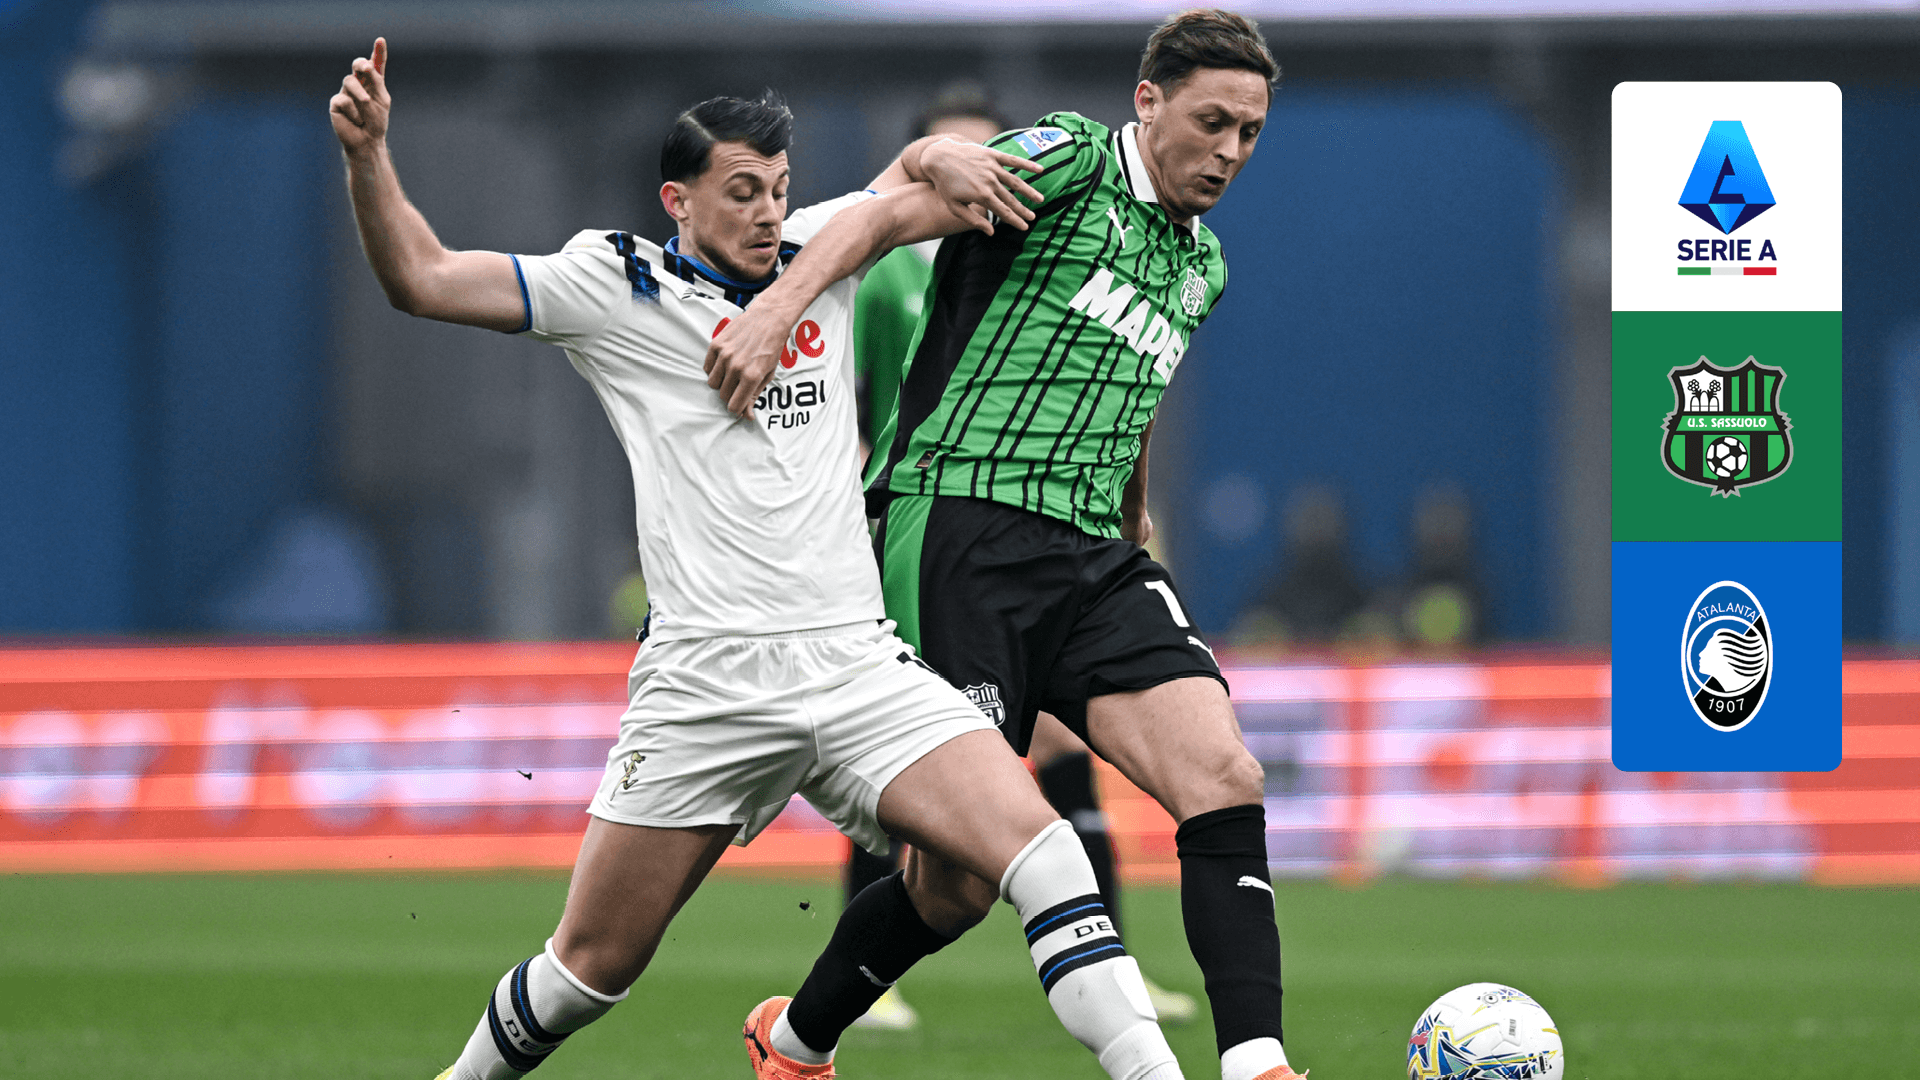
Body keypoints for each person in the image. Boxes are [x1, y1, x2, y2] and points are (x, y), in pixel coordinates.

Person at [328, 37, 1192, 1080]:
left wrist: (939, 153)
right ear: (678, 200)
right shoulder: (614, 285)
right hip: (708, 681)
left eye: (778, 189)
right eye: (741, 192)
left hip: (854, 661)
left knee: (1040, 854)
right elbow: (421, 279)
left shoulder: (819, 256)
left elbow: (906, 197)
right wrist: (368, 157)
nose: (767, 213)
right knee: (590, 971)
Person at [706, 10, 1303, 1080]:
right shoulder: (1068, 159)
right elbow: (887, 216)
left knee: (1224, 775)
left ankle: (1257, 1063)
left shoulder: (1201, 265)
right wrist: (776, 309)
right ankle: (793, 1041)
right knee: (957, 885)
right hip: (961, 527)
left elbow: (1136, 387)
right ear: (1148, 101)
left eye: (1250, 133)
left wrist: (1135, 511)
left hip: (1096, 556)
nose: (1230, 152)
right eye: (1211, 122)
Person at [847, 83, 1197, 1034]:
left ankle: (1119, 965)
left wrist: (1128, 506)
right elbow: (852, 396)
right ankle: (860, 979)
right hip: (925, 523)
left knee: (1061, 751)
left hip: (1043, 533)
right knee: (923, 773)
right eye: (958, 153)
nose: (989, 169)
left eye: (995, 149)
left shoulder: (1042, 246)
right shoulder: (890, 271)